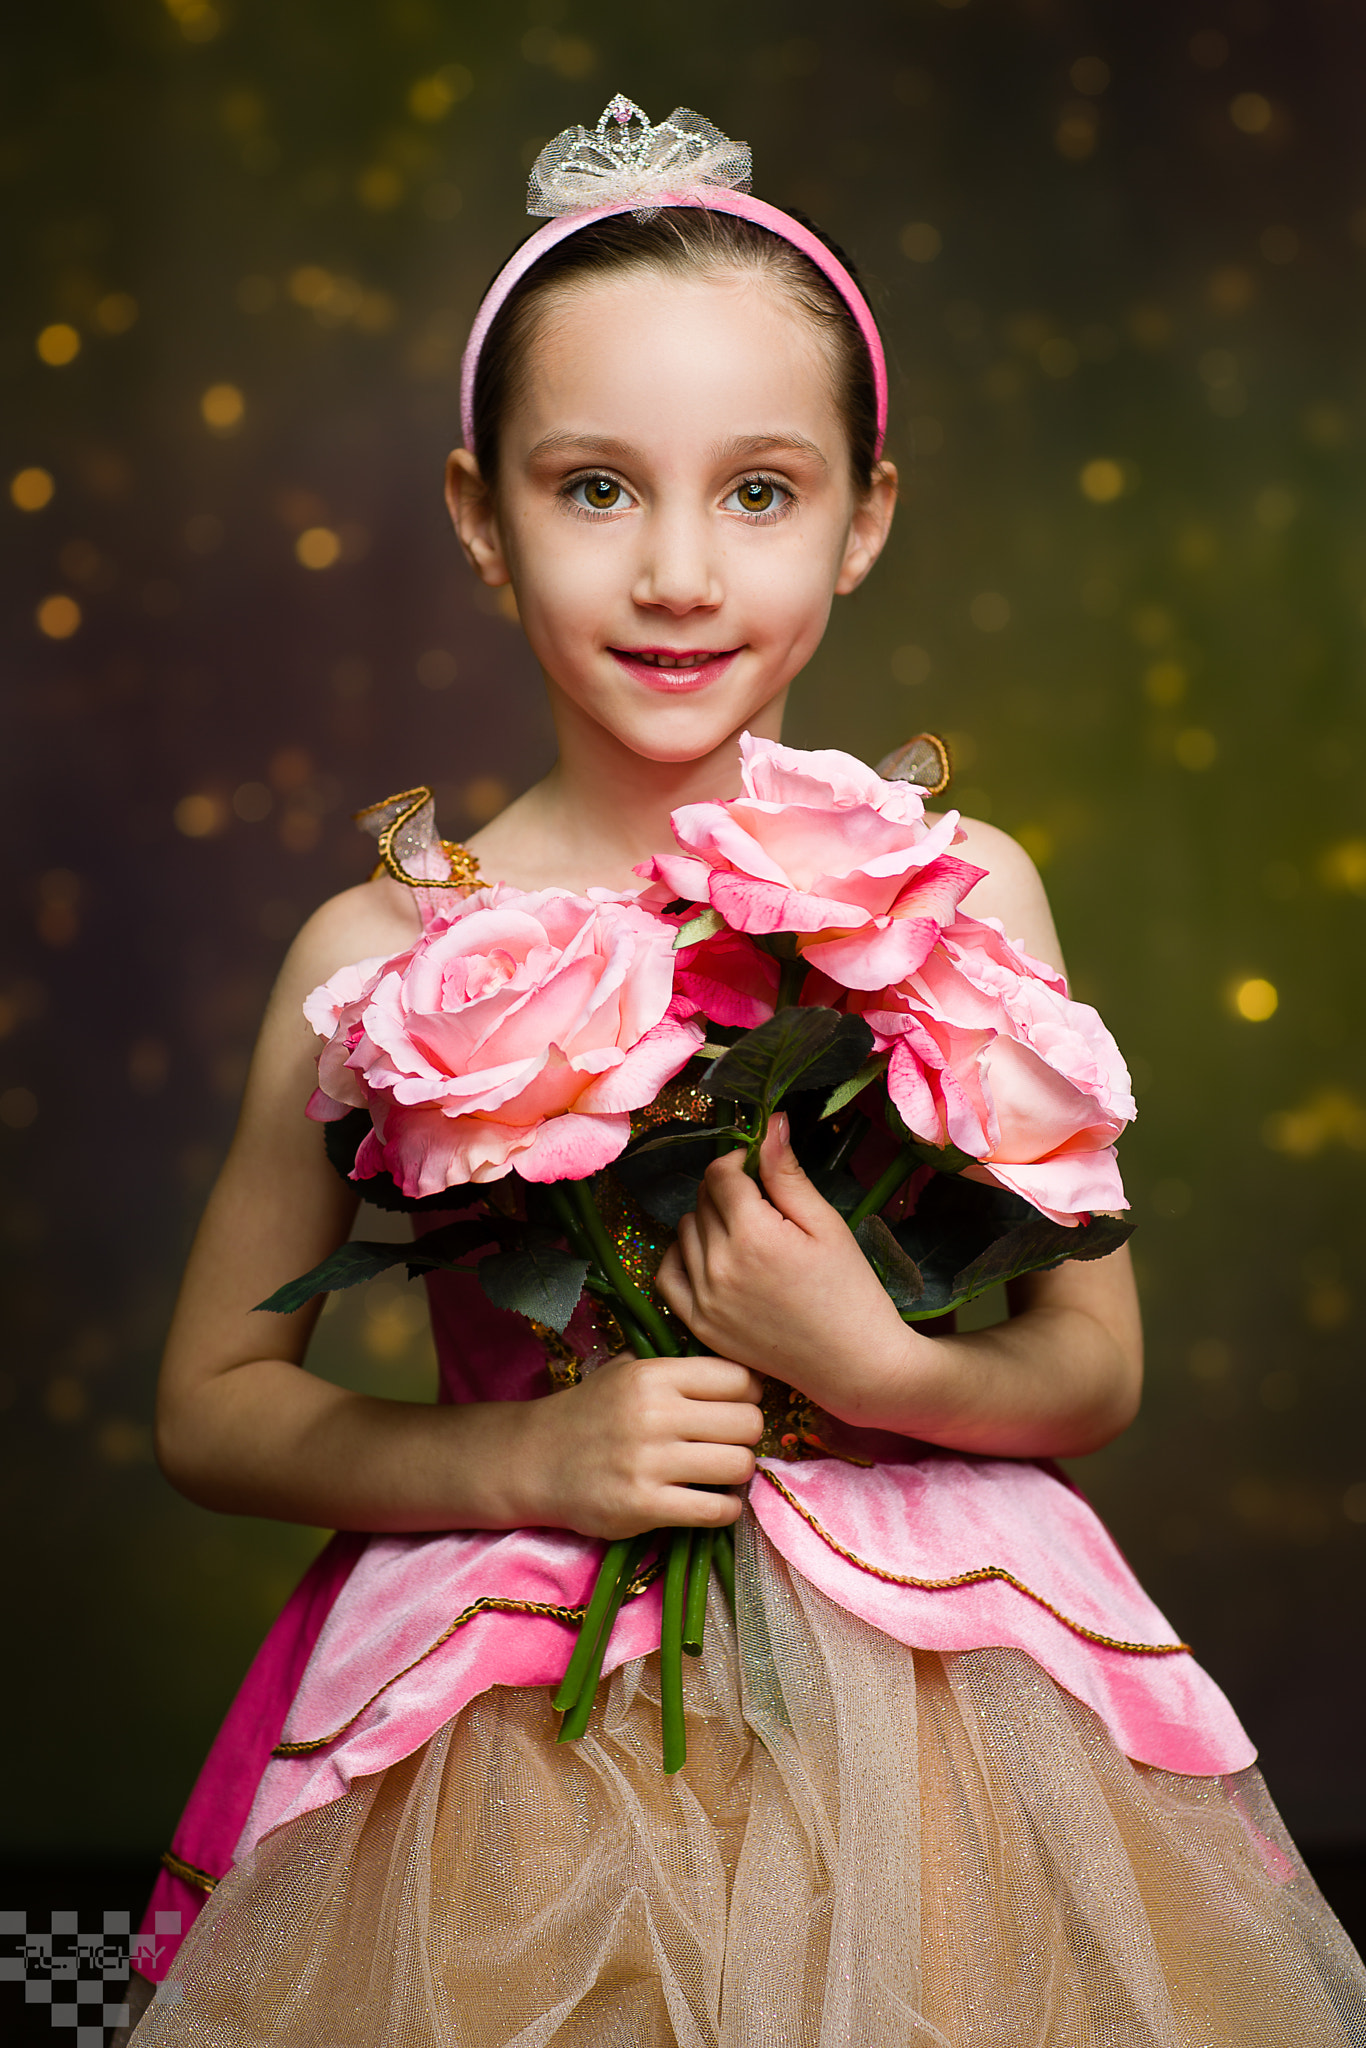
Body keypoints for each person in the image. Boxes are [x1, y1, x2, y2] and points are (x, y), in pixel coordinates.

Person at [122, 98, 1365, 2046]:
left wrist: (870, 1364)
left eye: (760, 492)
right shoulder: (378, 957)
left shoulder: (959, 897)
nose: (679, 572)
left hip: (937, 1699)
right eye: (594, 488)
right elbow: (210, 1406)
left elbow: (1092, 1363)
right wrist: (517, 1454)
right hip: (510, 1715)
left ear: (865, 520)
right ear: (477, 515)